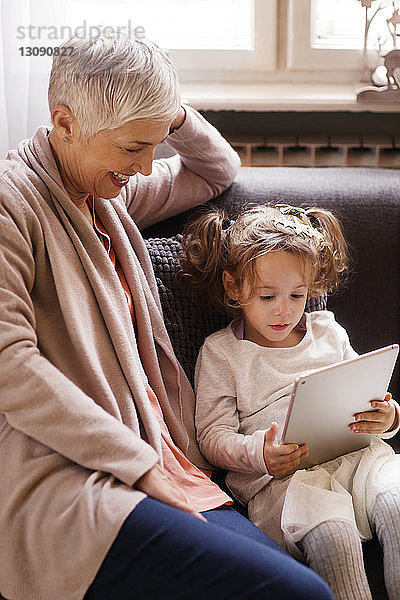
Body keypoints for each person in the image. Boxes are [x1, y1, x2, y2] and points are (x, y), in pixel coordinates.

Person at [0, 33, 334, 600]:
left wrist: (172, 113)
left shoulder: (106, 194)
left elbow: (215, 171)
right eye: (133, 147)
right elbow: (9, 364)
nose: (148, 165)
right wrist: (138, 465)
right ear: (64, 122)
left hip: (169, 463)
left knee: (306, 589)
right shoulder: (13, 206)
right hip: (77, 478)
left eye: (156, 143)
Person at [179, 203, 400, 600]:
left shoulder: (328, 330)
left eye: (297, 295)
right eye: (267, 296)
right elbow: (211, 435)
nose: (284, 309)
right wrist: (258, 453)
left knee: (397, 504)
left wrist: (387, 416)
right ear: (234, 288)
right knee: (333, 536)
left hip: (358, 457)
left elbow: (368, 390)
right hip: (285, 480)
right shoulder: (222, 353)